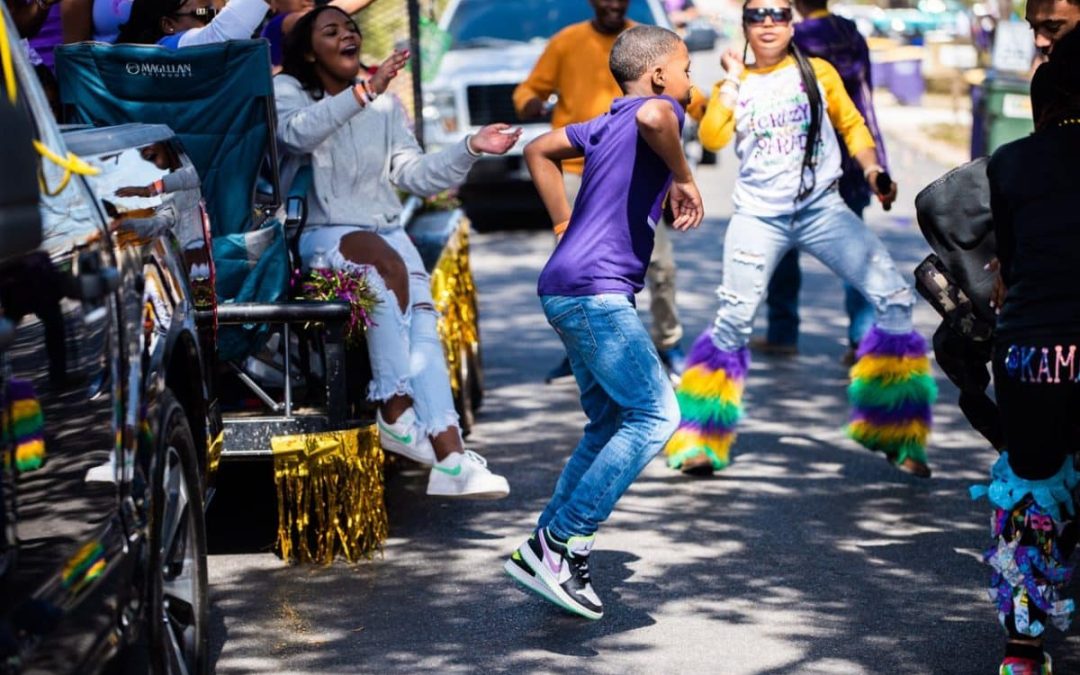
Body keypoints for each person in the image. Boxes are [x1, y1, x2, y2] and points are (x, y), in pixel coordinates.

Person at [665, 0, 936, 478]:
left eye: (778, 13)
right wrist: (729, 79)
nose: (768, 23)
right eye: (757, 15)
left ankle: (893, 430)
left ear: (793, 24)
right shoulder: (737, 83)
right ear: (744, 25)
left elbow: (853, 125)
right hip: (758, 218)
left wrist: (873, 170)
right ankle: (700, 442)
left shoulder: (818, 73)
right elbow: (710, 138)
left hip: (822, 210)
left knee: (894, 297)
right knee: (734, 319)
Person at [275, 6, 519, 498]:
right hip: (320, 232)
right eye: (331, 31)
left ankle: (451, 459)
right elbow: (295, 133)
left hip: (383, 230)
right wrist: (364, 93)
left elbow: (413, 175)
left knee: (422, 323)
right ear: (308, 50)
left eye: (351, 29)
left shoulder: (385, 106)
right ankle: (393, 406)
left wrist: (470, 146)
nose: (348, 34)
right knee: (380, 271)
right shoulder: (290, 92)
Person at [505, 25, 702, 619]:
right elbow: (657, 122)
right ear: (660, 75)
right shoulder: (655, 108)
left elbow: (537, 148)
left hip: (571, 286)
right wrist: (685, 176)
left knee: (609, 421)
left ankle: (541, 544)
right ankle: (564, 542)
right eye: (688, 69)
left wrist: (564, 225)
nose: (693, 81)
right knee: (657, 412)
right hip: (593, 294)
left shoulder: (605, 120)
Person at [967, 32, 1080, 675]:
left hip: (1033, 349)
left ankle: (1023, 650)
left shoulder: (1009, 163)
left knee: (1031, 489)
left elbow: (1007, 264)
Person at [513, 0, 692, 381]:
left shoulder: (644, 43)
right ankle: (586, 349)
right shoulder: (567, 41)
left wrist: (698, 100)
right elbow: (533, 90)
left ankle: (668, 342)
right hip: (581, 168)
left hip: (634, 167)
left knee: (657, 263)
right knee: (589, 265)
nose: (612, 3)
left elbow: (661, 112)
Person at [753, 0, 888, 364]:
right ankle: (861, 337)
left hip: (803, 158)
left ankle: (783, 332)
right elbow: (865, 96)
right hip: (853, 153)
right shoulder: (850, 33)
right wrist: (876, 164)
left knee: (782, 242)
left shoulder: (795, 39)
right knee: (853, 249)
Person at [116, 0, 269, 48]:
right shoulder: (167, 48)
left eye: (213, 14)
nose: (211, 19)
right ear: (168, 25)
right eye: (203, 14)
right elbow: (220, 34)